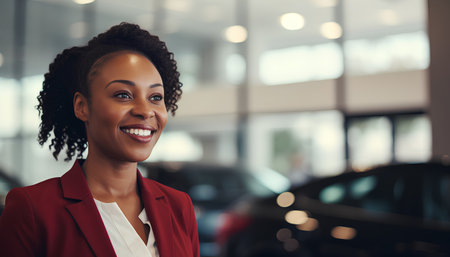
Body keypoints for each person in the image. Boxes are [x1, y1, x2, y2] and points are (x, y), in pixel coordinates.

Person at [0, 22, 199, 257]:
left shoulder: (179, 206)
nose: (146, 111)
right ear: (82, 107)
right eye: (123, 95)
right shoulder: (33, 210)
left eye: (155, 97)